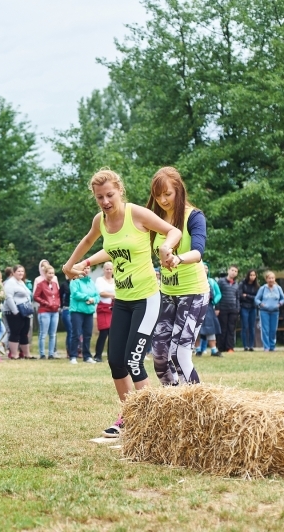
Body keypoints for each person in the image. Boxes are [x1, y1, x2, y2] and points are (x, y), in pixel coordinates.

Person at [63, 168, 181, 437]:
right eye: (99, 198)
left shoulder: (136, 213)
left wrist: (166, 249)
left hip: (147, 298)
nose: (105, 202)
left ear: (120, 191)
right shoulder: (101, 221)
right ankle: (128, 416)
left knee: (134, 360)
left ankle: (153, 420)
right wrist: (73, 264)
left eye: (109, 195)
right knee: (116, 361)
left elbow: (171, 230)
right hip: (123, 300)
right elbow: (91, 240)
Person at [146, 166, 209, 384]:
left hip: (193, 293)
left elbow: (198, 251)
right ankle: (173, 404)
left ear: (179, 190)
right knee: (160, 355)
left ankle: (197, 406)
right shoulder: (155, 219)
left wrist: (178, 258)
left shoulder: (194, 216)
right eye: (158, 195)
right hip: (168, 293)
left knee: (178, 353)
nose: (162, 200)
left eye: (168, 194)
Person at [3, 264, 33, 359]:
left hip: (25, 311)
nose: (21, 273)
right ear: (13, 272)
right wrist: (15, 311)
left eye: (22, 271)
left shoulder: (21, 282)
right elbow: (8, 297)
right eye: (18, 271)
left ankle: (27, 354)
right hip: (13, 312)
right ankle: (14, 354)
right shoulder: (10, 283)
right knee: (15, 332)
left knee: (24, 332)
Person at [254, 271, 284, 352]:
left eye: (272, 278)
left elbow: (283, 298)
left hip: (275, 311)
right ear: (266, 279)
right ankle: (266, 347)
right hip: (264, 312)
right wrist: (261, 304)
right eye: (269, 278)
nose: (271, 280)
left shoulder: (278, 288)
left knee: (273, 329)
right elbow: (256, 299)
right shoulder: (263, 288)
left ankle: (272, 346)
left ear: (274, 279)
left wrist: (279, 304)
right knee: (265, 329)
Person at [34, 265, 60, 360]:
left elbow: (57, 296)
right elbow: (36, 296)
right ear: (45, 273)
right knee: (43, 333)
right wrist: (45, 303)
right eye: (49, 273)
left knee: (53, 334)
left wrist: (57, 304)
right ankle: (42, 353)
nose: (51, 275)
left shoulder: (54, 284)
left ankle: (51, 353)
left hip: (55, 311)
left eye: (53, 273)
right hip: (44, 311)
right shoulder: (40, 284)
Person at [197, 263, 222, 357]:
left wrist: (214, 302)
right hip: (197, 307)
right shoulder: (195, 280)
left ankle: (214, 350)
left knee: (210, 328)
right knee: (197, 329)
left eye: (206, 268)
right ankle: (198, 349)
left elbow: (218, 294)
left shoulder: (211, 281)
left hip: (209, 307)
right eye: (203, 268)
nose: (204, 269)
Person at [216, 265, 241, 354]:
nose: (233, 272)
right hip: (222, 309)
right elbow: (217, 295)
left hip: (233, 310)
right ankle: (220, 347)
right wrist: (217, 308)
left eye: (235, 271)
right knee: (223, 328)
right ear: (228, 270)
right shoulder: (221, 282)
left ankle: (230, 347)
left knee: (231, 329)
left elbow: (238, 297)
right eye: (232, 270)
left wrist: (238, 309)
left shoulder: (236, 284)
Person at [94, 262, 116, 362]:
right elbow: (101, 293)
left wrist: (112, 295)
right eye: (107, 269)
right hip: (103, 308)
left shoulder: (116, 280)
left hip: (113, 308)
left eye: (110, 269)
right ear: (104, 270)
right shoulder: (99, 280)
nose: (108, 271)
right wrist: (113, 295)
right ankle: (98, 355)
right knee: (103, 332)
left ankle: (111, 355)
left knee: (112, 333)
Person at [238, 270, 260, 351]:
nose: (252, 277)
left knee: (252, 327)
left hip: (253, 308)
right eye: (251, 275)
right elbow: (240, 295)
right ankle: (245, 346)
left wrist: (247, 295)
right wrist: (250, 297)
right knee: (245, 327)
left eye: (254, 275)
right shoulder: (242, 284)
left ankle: (251, 345)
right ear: (248, 275)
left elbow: (257, 298)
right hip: (244, 307)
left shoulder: (257, 286)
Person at [58, 279, 72, 357]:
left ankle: (77, 350)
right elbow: (59, 296)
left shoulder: (78, 282)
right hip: (66, 308)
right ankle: (69, 351)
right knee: (70, 330)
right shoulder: (64, 284)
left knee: (77, 331)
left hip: (76, 308)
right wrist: (61, 307)